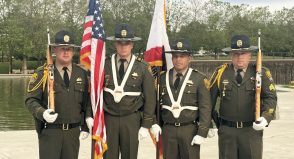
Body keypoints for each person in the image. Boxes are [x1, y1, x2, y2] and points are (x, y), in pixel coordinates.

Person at [25, 30, 91, 159]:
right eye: (62, 48)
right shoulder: (42, 73)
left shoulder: (81, 74)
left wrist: (85, 127)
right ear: (55, 50)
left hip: (73, 133)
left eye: (69, 49)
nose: (66, 52)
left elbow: (86, 102)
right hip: (50, 132)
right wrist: (41, 112)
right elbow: (30, 100)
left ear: (73, 51)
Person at [210, 35, 277, 159]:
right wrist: (209, 123)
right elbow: (209, 101)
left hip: (251, 131)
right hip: (227, 132)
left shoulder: (260, 73)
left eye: (243, 53)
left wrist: (266, 117)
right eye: (236, 54)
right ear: (231, 55)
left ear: (250, 55)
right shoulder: (221, 73)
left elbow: (270, 97)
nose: (239, 57)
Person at [99, 23, 157, 159]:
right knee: (109, 156)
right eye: (120, 43)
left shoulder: (143, 67)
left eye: (127, 43)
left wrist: (146, 123)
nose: (123, 46)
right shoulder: (104, 64)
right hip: (109, 119)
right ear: (115, 44)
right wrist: (91, 116)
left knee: (130, 155)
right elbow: (96, 93)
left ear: (132, 45)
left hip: (131, 119)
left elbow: (150, 98)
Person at [158, 39, 212, 159]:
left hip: (189, 130)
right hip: (168, 129)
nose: (178, 60)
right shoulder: (161, 78)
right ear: (172, 58)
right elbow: (156, 104)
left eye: (182, 56)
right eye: (175, 56)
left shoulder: (199, 79)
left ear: (189, 58)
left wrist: (202, 132)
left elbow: (205, 107)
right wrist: (154, 124)